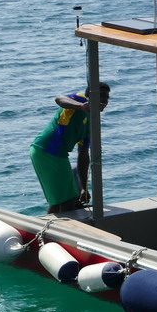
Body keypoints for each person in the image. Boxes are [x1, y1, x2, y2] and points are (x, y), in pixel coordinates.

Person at [30, 82, 110, 215]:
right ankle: (56, 231)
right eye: (100, 95)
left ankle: (51, 230)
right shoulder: (80, 99)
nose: (104, 100)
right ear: (88, 95)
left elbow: (83, 155)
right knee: (65, 200)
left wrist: (84, 188)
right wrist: (82, 107)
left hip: (58, 155)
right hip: (46, 150)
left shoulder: (92, 122)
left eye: (106, 97)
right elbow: (59, 99)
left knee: (66, 200)